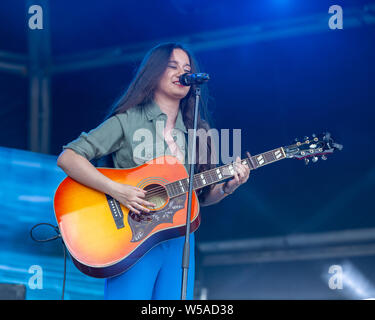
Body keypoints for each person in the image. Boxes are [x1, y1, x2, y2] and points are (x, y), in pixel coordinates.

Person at [57, 42, 250, 300]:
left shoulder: (199, 132)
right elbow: (68, 157)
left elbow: (202, 196)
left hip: (179, 241)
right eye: (172, 66)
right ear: (154, 72)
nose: (181, 72)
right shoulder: (127, 120)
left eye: (186, 68)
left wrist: (227, 188)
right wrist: (118, 190)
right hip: (131, 237)